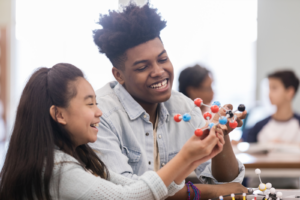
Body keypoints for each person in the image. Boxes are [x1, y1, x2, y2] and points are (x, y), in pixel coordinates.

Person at [91, 3, 248, 199]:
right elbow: (130, 195)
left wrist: (221, 135)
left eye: (163, 59)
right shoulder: (99, 115)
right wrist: (208, 191)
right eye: (142, 67)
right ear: (119, 75)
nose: (158, 72)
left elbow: (228, 185)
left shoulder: (184, 107)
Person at [0, 63, 225, 200]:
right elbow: (130, 198)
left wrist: (195, 159)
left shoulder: (80, 157)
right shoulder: (56, 170)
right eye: (89, 104)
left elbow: (137, 187)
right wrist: (187, 156)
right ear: (59, 115)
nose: (99, 112)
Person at [242, 70, 300, 143]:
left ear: (290, 92)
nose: (269, 94)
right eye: (269, 88)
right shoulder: (259, 127)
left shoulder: (298, 124)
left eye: (274, 88)